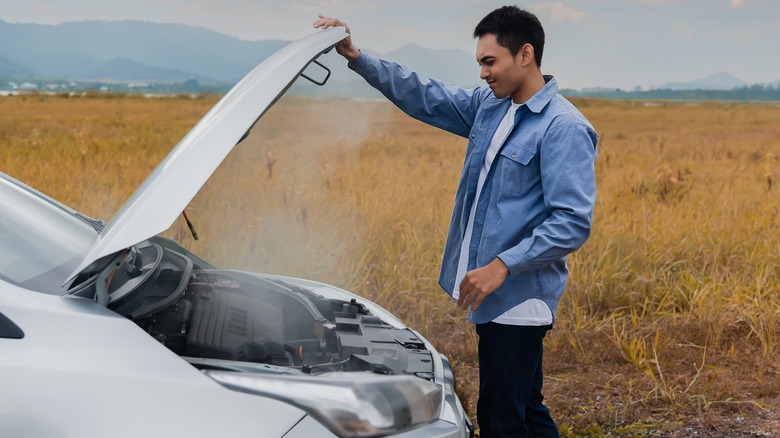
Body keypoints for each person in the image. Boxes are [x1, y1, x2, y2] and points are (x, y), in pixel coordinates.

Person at [315, 6, 597, 437]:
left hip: (518, 300)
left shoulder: (563, 127)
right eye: (480, 63)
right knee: (525, 408)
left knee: (501, 419)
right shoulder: (491, 106)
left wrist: (501, 266)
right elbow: (425, 95)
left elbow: (572, 222)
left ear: (525, 55)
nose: (483, 73)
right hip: (494, 295)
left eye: (490, 61)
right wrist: (356, 56)